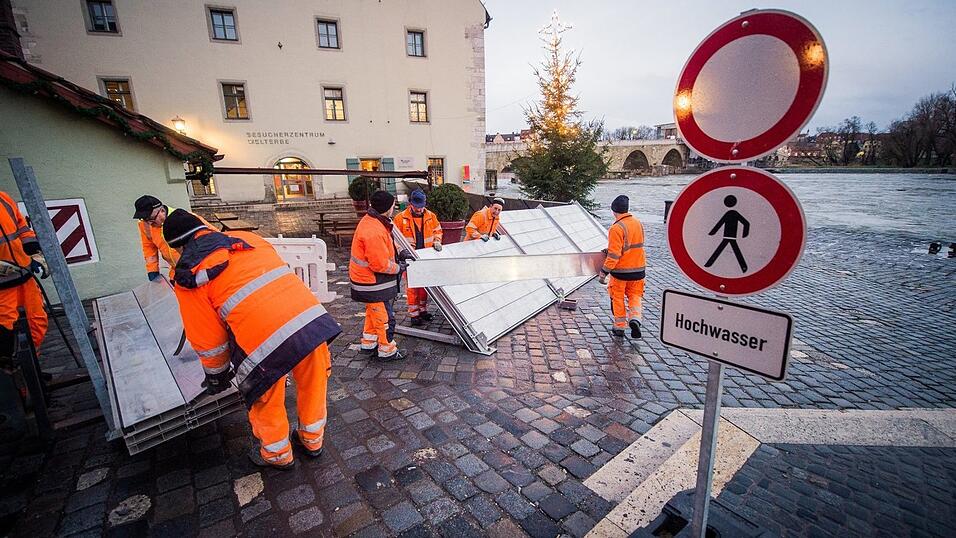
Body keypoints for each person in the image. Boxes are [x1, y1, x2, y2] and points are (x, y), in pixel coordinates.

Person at [163, 209, 341, 469]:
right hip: (309, 321)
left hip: (262, 340)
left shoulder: (189, 275)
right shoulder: (247, 239)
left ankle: (278, 455)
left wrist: (216, 375)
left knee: (265, 397)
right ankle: (312, 441)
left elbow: (208, 339)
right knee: (314, 383)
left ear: (179, 247)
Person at [349, 190, 413, 360]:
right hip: (372, 282)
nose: (394, 208)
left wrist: (400, 251)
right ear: (387, 208)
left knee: (373, 312)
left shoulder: (374, 221)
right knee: (385, 318)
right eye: (393, 205)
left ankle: (368, 344)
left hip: (367, 280)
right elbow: (379, 264)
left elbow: (386, 246)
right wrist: (399, 268)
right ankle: (387, 350)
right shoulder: (374, 230)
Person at [0, 190, 49, 368]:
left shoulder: (3, 198)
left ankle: (32, 371)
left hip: (24, 276)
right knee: (6, 334)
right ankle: (18, 382)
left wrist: (34, 252)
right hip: (2, 289)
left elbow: (22, 229)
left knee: (37, 323)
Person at [392, 189, 443, 326]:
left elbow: (437, 230)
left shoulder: (431, 216)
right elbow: (394, 238)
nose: (419, 209)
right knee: (412, 287)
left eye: (421, 207)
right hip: (409, 258)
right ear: (411, 204)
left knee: (424, 287)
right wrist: (400, 250)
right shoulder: (400, 218)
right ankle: (414, 314)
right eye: (417, 206)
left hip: (425, 256)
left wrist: (437, 240)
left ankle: (423, 310)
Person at [599, 195, 645, 338]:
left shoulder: (616, 228)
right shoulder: (637, 223)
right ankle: (635, 318)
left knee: (617, 297)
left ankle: (619, 327)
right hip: (639, 270)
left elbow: (614, 255)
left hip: (621, 272)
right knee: (635, 295)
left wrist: (604, 272)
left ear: (614, 210)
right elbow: (632, 246)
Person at [133, 195, 210, 281]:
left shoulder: (185, 218)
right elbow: (149, 249)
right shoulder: (145, 225)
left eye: (151, 218)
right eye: (145, 219)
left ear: (162, 211)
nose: (150, 223)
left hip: (199, 269)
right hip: (177, 273)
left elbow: (214, 235)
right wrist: (152, 271)